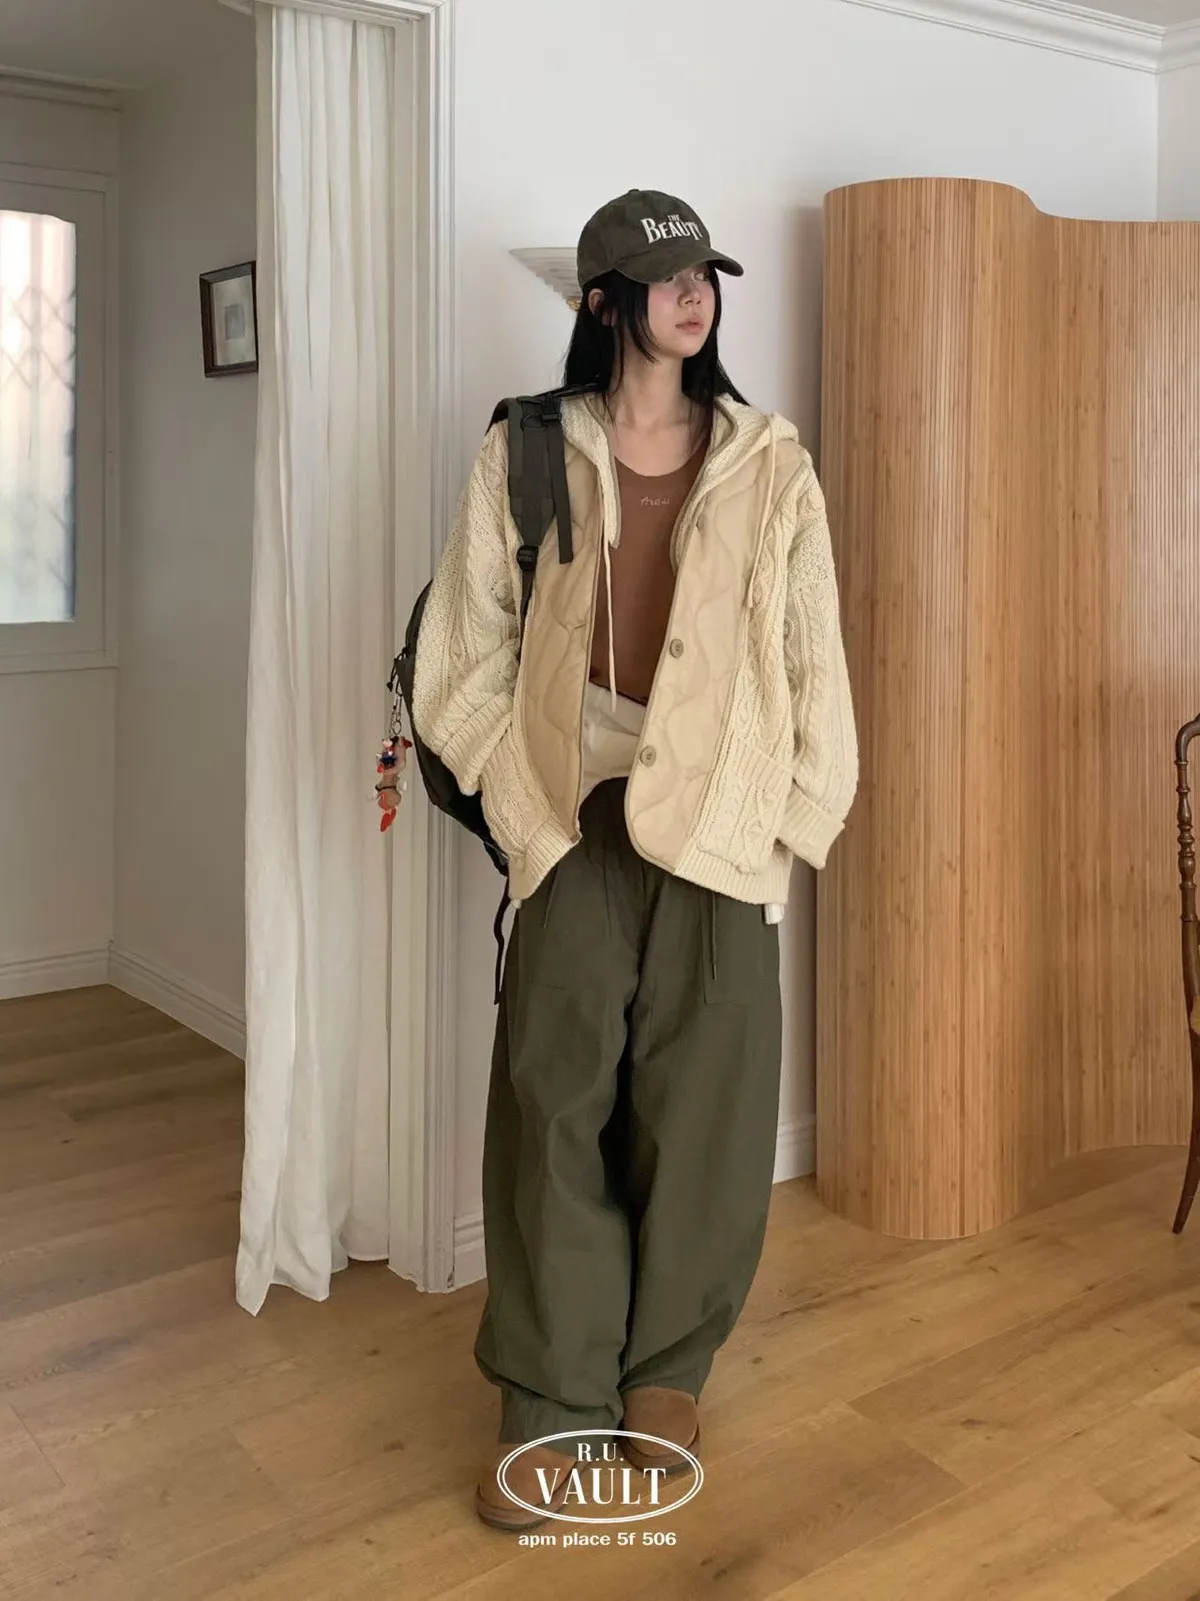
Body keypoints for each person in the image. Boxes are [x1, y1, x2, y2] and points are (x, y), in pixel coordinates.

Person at [412, 188, 858, 1531]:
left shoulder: (770, 463)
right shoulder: (526, 449)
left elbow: (813, 655)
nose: (693, 296)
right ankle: (551, 1395)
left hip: (721, 816)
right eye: (665, 280)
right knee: (553, 1101)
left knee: (708, 1106)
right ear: (603, 302)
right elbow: (464, 650)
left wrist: (795, 817)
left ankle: (667, 1371)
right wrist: (517, 798)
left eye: (704, 275)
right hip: (575, 810)